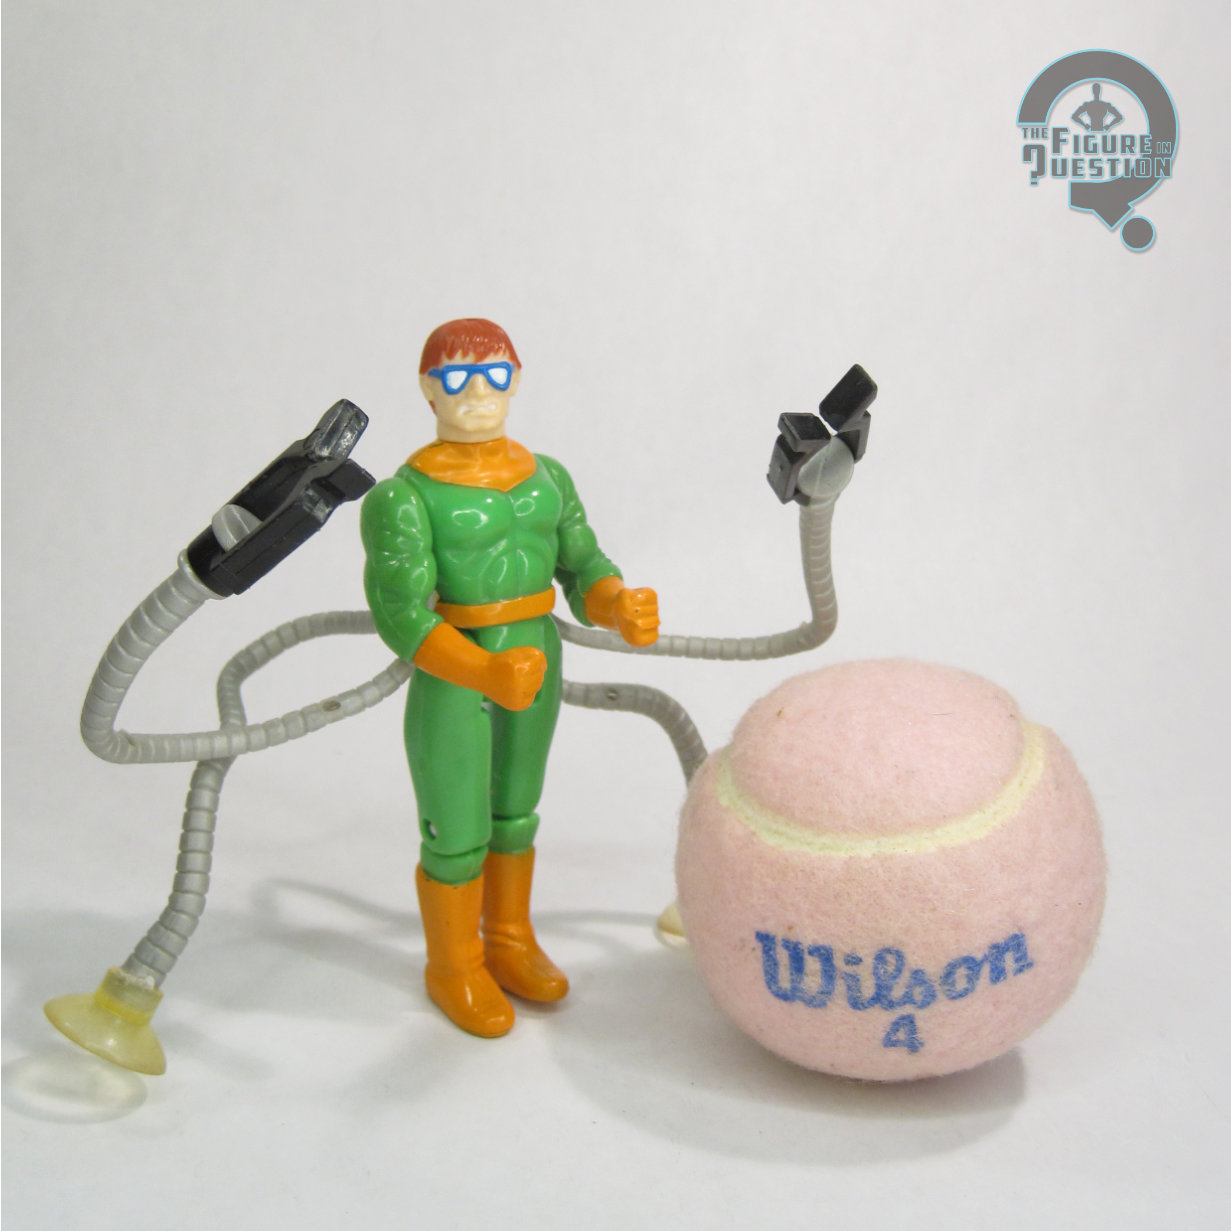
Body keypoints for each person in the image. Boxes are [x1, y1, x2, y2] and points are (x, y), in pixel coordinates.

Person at [361, 318, 659, 1036]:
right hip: (458, 669)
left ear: (516, 380)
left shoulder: (546, 475)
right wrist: (483, 669)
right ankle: (453, 963)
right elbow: (402, 616)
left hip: (535, 655)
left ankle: (507, 937)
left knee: (515, 814)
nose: (476, 393)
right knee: (457, 830)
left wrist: (617, 603)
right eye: (456, 377)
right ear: (428, 388)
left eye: (493, 375)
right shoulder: (402, 496)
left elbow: (582, 564)